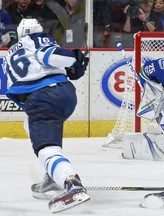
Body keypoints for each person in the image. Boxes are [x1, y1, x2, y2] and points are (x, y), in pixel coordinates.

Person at [3, 18, 90, 213]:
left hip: (42, 98)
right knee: (30, 125)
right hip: (61, 94)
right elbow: (51, 55)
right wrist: (74, 58)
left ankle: (71, 182)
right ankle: (52, 176)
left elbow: (44, 58)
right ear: (39, 30)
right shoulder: (37, 39)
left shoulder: (11, 53)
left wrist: (70, 61)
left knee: (45, 148)